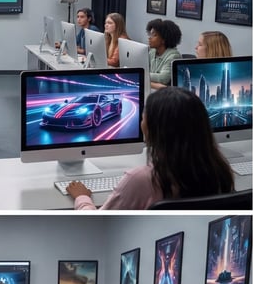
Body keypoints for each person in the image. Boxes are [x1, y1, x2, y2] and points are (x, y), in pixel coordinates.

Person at [67, 87, 235, 209]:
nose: (141, 123)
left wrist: (82, 197)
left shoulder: (142, 179)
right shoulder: (220, 170)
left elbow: (98, 222)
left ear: (155, 129)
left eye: (144, 118)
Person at [146, 18, 182, 89]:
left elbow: (163, 78)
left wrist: (141, 74)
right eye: (150, 34)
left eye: (154, 35)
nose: (149, 38)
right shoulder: (152, 51)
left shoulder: (174, 56)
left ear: (164, 39)